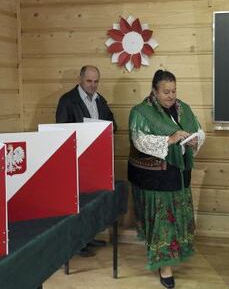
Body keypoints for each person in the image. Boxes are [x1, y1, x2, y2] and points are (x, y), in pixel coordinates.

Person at [128, 69, 205, 288]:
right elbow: (139, 140)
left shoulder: (183, 109)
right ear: (154, 91)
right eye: (166, 92)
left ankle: (173, 256)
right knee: (163, 221)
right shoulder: (141, 112)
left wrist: (194, 140)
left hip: (179, 176)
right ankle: (165, 268)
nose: (171, 96)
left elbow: (199, 131)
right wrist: (170, 139)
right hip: (156, 179)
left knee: (176, 219)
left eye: (173, 91)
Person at [56, 65, 117, 257]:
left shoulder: (101, 100)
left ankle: (88, 237)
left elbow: (113, 125)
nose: (93, 85)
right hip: (76, 161)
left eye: (96, 81)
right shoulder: (67, 101)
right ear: (80, 79)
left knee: (90, 202)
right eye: (89, 81)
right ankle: (77, 242)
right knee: (77, 203)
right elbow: (61, 132)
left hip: (96, 161)